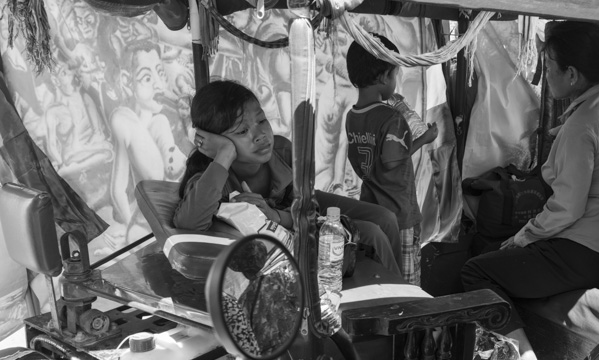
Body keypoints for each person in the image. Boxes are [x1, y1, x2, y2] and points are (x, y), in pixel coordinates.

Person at [461, 21, 599, 360]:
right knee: (507, 249)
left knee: (477, 268)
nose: (545, 76)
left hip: (588, 253)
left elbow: (568, 208)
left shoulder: (583, 126)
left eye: (549, 68)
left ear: (573, 74)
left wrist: (523, 238)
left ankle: (524, 357)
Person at [173, 80, 402, 277]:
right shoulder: (211, 176)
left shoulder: (282, 150)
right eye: (242, 132)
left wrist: (274, 215)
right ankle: (393, 307)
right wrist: (223, 155)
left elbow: (308, 208)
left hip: (300, 212)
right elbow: (189, 223)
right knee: (371, 233)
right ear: (215, 143)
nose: (260, 135)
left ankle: (408, 297)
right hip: (289, 235)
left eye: (261, 121)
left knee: (386, 218)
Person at [344, 34, 438, 287]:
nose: (395, 81)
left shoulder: (351, 117)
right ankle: (407, 325)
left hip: (372, 213)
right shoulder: (392, 118)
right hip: (400, 217)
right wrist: (425, 139)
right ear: (385, 77)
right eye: (395, 74)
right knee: (406, 285)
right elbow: (393, 161)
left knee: (380, 277)